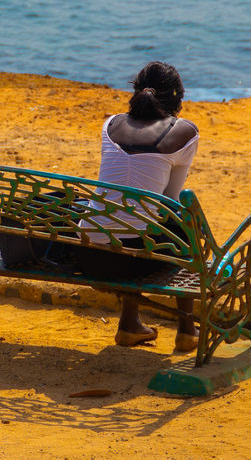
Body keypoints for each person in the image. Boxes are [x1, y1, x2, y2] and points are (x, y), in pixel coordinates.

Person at [76, 61, 200, 351]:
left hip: (87, 253)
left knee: (128, 219)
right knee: (182, 224)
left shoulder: (111, 124)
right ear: (178, 98)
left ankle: (130, 325)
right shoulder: (184, 132)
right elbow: (170, 201)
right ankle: (186, 329)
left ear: (136, 91)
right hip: (135, 260)